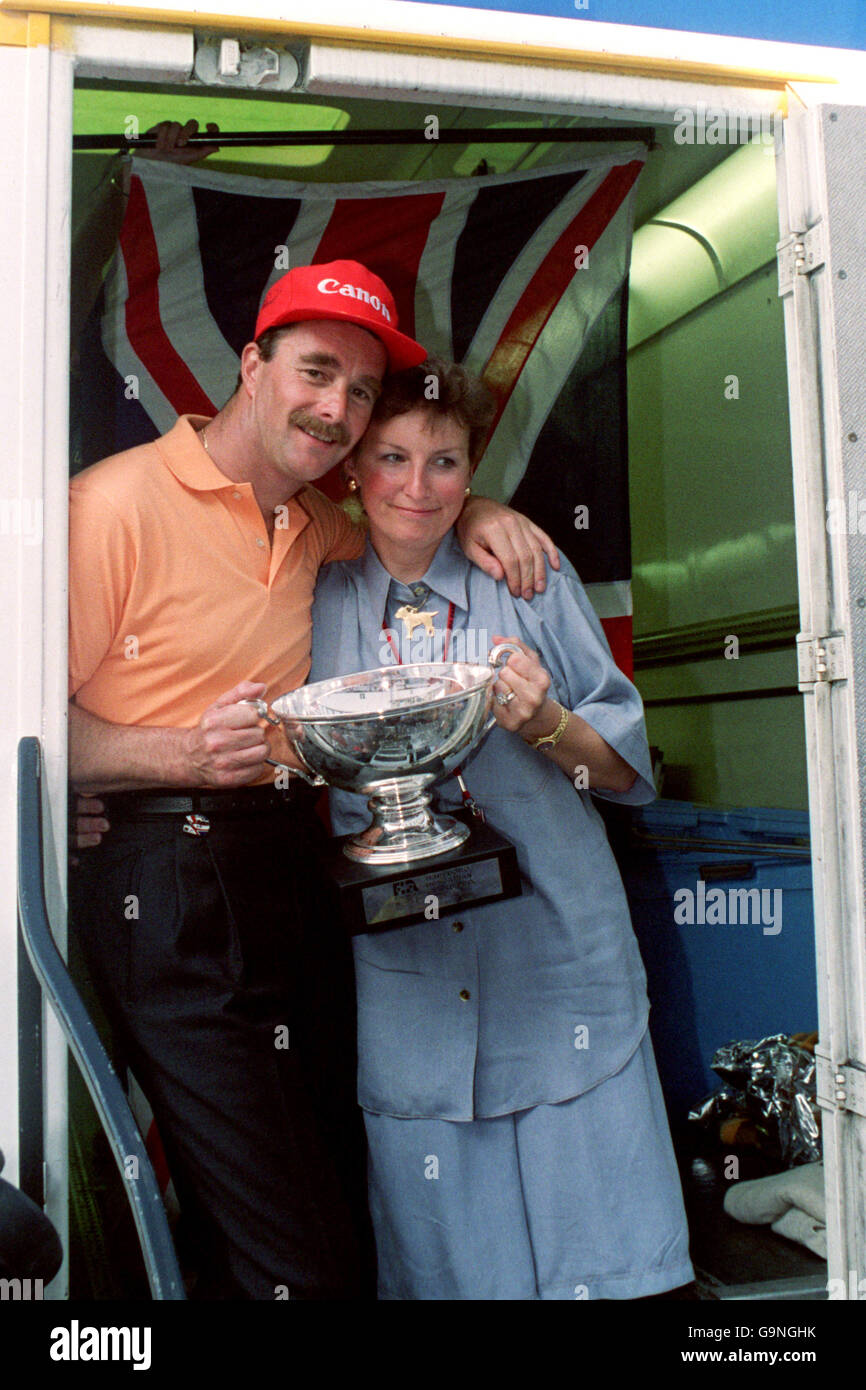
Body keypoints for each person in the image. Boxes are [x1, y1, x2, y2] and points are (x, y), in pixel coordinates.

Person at [67, 262, 560, 1300]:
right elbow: (23, 734)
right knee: (292, 1246)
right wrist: (175, 756)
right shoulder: (109, 505)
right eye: (315, 371)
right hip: (166, 880)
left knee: (329, 1191)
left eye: (360, 390)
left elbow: (406, 516)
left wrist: (473, 510)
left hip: (298, 870)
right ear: (253, 367)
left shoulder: (318, 526)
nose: (336, 408)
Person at [308, 356, 694, 1301]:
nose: (416, 487)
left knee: (607, 1266)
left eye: (445, 464)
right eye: (392, 458)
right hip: (417, 988)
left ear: (473, 471)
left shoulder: (527, 578)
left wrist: (548, 723)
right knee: (455, 1272)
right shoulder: (311, 597)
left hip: (559, 966)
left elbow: (623, 774)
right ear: (354, 466)